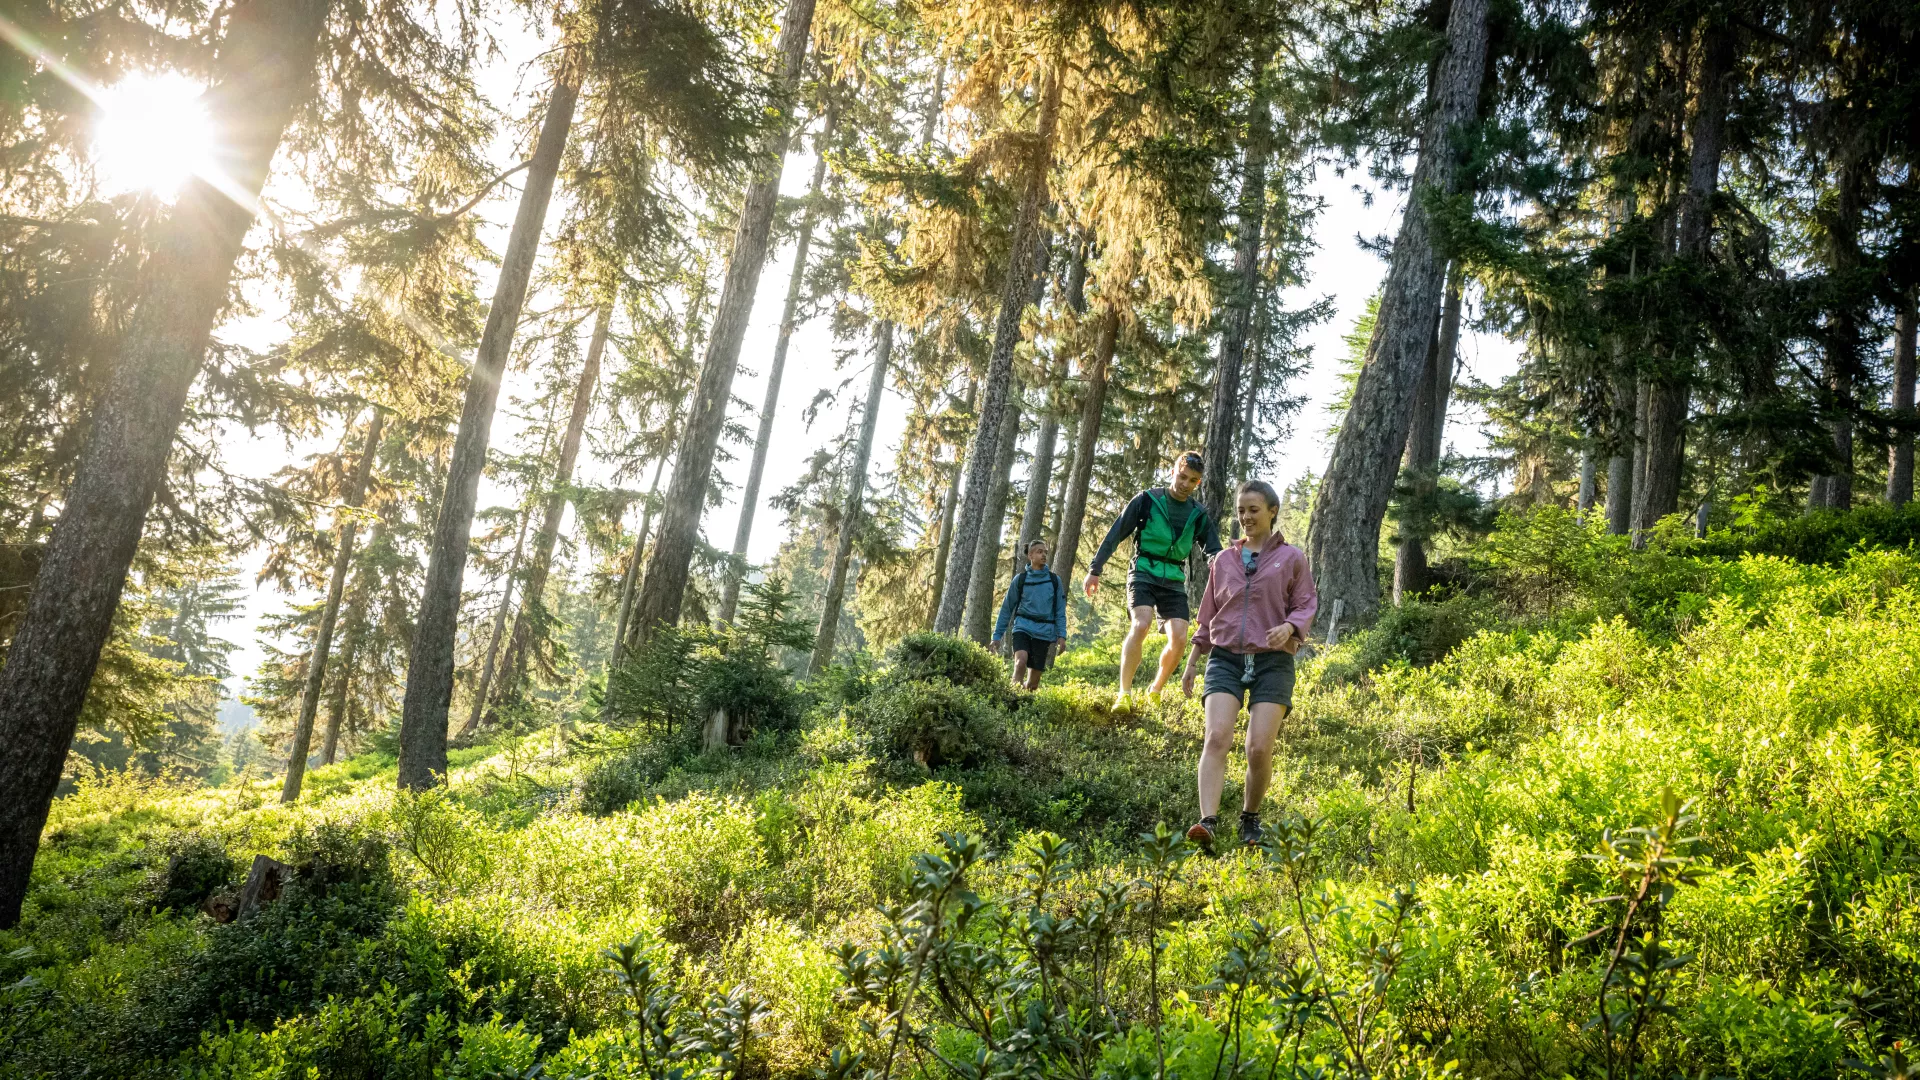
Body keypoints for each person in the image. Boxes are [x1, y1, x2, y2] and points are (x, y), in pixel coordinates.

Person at [1178, 479, 1318, 851]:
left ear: (1272, 511)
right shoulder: (1223, 561)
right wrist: (1193, 662)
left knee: (1258, 748)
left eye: (1253, 510)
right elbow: (1207, 615)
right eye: (1241, 510)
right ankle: (1207, 822)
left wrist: (1289, 626)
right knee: (1217, 737)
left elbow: (1306, 603)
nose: (1246, 517)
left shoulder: (1292, 558)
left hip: (1274, 662)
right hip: (1225, 659)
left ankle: (1250, 818)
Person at [1083, 451, 1222, 701]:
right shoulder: (1147, 500)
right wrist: (1095, 569)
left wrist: (1223, 566)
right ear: (1173, 472)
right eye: (1182, 476)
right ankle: (1124, 694)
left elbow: (1214, 549)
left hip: (1174, 579)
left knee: (1180, 638)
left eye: (1192, 481)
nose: (1185, 484)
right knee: (1141, 624)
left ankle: (1155, 689)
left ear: (1198, 483)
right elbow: (1116, 533)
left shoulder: (1198, 513)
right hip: (1144, 571)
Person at [992, 539, 1067, 690]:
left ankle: (1024, 701)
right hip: (1022, 627)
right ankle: (1012, 699)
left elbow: (1060, 611)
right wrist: (997, 636)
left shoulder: (1054, 581)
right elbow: (1007, 608)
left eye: (1045, 552)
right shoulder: (1020, 580)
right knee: (1020, 663)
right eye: (1040, 552)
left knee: (1033, 685)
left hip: (1044, 632)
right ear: (1030, 555)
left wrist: (1062, 635)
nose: (1044, 555)